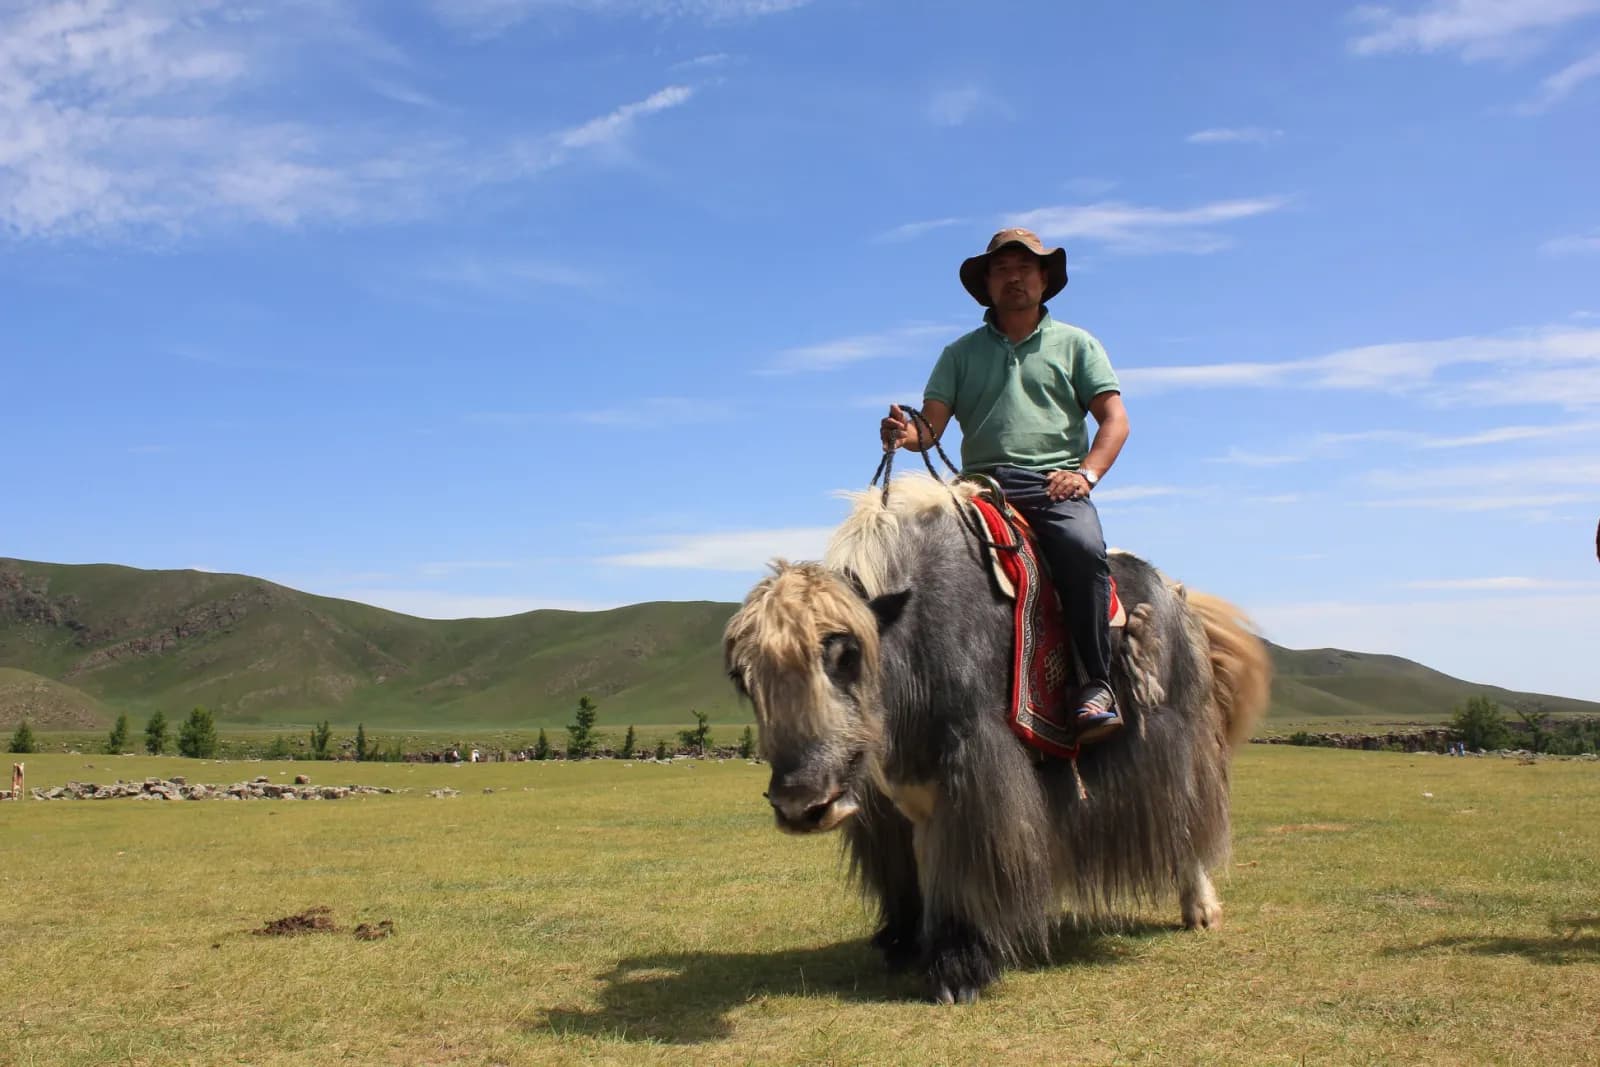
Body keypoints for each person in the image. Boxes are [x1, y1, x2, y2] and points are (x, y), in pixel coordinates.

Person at [881, 227, 1130, 743]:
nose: (1014, 277)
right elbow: (930, 430)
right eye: (1001, 269)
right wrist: (903, 434)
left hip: (1053, 484)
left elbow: (1114, 420)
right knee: (914, 557)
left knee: (1082, 550)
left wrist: (1084, 475)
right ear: (987, 285)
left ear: (1044, 279)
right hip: (979, 487)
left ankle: (1096, 684)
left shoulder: (1077, 344)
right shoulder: (959, 353)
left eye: (1025, 268)